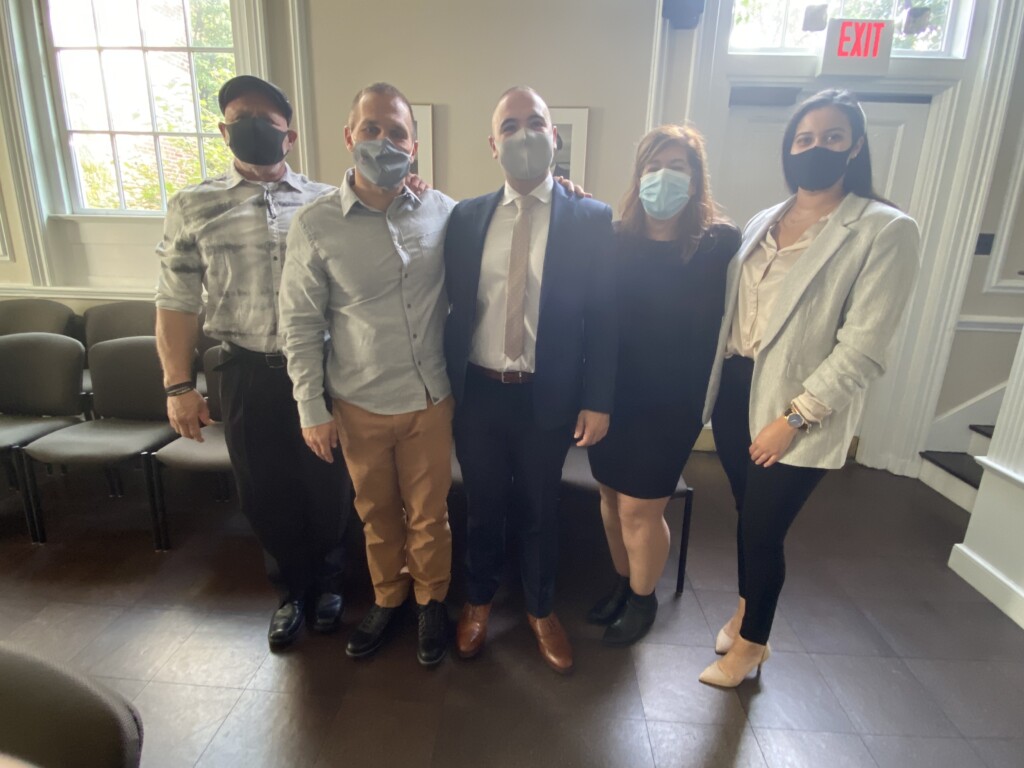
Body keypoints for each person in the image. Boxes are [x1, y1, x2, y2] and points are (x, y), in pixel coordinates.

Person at [700, 89, 920, 687]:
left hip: (795, 408)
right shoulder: (761, 221)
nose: (815, 147)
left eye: (832, 137)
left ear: (855, 148)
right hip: (735, 389)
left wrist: (794, 417)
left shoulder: (884, 230)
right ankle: (747, 610)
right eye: (804, 137)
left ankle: (751, 648)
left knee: (765, 528)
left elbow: (864, 347)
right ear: (789, 146)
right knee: (748, 516)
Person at [155, 75, 351, 650]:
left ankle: (332, 584)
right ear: (222, 129)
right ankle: (291, 592)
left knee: (329, 487)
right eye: (240, 116)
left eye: (266, 120)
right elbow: (175, 302)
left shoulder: (327, 202)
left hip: (318, 372)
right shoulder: (193, 205)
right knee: (263, 489)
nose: (253, 126)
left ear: (288, 135)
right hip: (241, 368)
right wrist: (177, 385)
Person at [278, 82, 455, 667]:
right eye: (372, 129)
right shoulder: (315, 225)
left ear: (415, 145)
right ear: (349, 137)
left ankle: (431, 601)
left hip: (430, 398)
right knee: (376, 515)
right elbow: (299, 324)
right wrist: (312, 409)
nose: (384, 141)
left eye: (397, 132)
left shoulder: (444, 212)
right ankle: (388, 597)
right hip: (357, 402)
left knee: (430, 515)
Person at [444, 86, 617, 674]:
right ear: (493, 145)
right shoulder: (464, 217)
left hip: (550, 393)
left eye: (535, 123)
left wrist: (598, 399)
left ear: (555, 136)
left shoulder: (591, 217)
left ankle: (542, 609)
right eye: (510, 126)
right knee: (482, 505)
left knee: (542, 506)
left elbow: (604, 316)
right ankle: (478, 602)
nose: (524, 135)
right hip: (480, 390)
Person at [586, 125, 740, 646]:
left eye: (677, 166)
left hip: (673, 404)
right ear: (638, 176)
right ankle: (626, 584)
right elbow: (600, 322)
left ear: (696, 178)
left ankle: (644, 599)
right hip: (614, 398)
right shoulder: (615, 240)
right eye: (653, 167)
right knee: (609, 498)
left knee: (640, 507)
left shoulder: (720, 244)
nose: (663, 178)